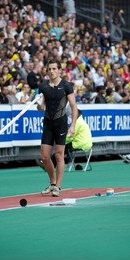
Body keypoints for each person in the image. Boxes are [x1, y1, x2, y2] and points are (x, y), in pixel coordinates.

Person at [37, 59, 78, 197]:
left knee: (59, 155)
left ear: (59, 70)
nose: (52, 71)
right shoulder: (43, 86)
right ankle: (52, 183)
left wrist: (72, 125)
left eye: (54, 69)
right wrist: (39, 104)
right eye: (49, 69)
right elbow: (41, 109)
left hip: (61, 123)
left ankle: (58, 186)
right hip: (48, 123)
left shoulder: (66, 85)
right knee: (44, 156)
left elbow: (73, 106)